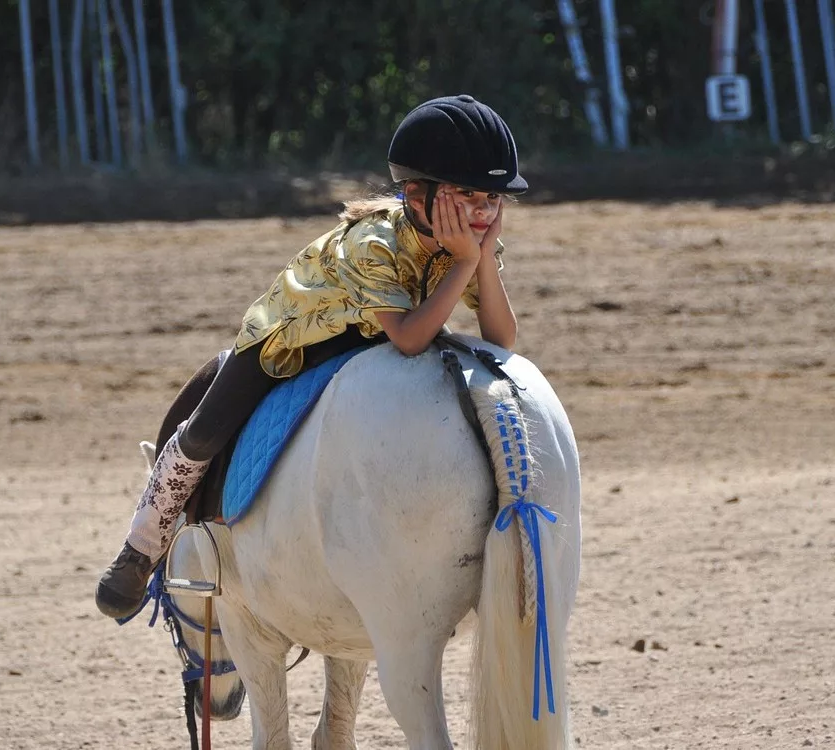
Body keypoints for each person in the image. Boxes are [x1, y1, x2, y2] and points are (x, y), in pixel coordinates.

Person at [95, 94, 529, 619]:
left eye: (493, 198)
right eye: (467, 194)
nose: (483, 210)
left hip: (370, 336)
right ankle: (141, 548)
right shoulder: (374, 242)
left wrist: (477, 258)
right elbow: (410, 339)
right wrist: (464, 262)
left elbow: (501, 338)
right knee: (206, 431)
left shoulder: (471, 239)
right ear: (417, 193)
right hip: (289, 336)